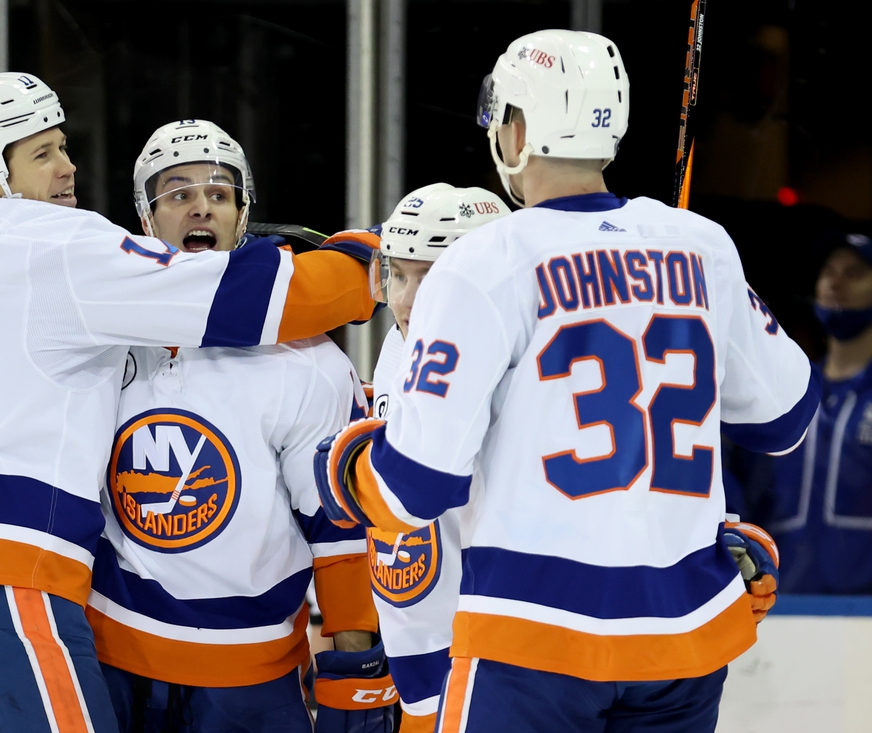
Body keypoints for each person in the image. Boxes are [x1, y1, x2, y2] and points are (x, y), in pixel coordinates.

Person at [0, 73, 377, 733]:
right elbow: (260, 297)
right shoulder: (65, 254)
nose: (68, 168)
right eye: (43, 154)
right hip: (6, 578)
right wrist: (373, 264)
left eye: (63, 147)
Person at [314, 30, 820, 732]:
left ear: (518, 128)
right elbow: (785, 420)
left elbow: (415, 488)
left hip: (533, 639)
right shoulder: (701, 245)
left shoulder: (486, 261)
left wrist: (345, 465)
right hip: (683, 641)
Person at [86, 120, 393, 733]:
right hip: (108, 660)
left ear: (242, 215)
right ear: (146, 219)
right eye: (177, 193)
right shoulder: (97, 335)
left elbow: (337, 528)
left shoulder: (307, 361)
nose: (201, 205)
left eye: (220, 193)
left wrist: (356, 660)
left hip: (252, 675)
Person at [364, 183, 507, 733]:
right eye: (398, 274)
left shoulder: (519, 374)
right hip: (420, 662)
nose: (404, 299)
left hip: (492, 663)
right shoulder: (402, 346)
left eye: (431, 279)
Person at [763, 232, 872, 593]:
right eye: (828, 271)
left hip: (862, 612)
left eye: (854, 273)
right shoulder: (785, 390)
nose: (835, 282)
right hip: (777, 602)